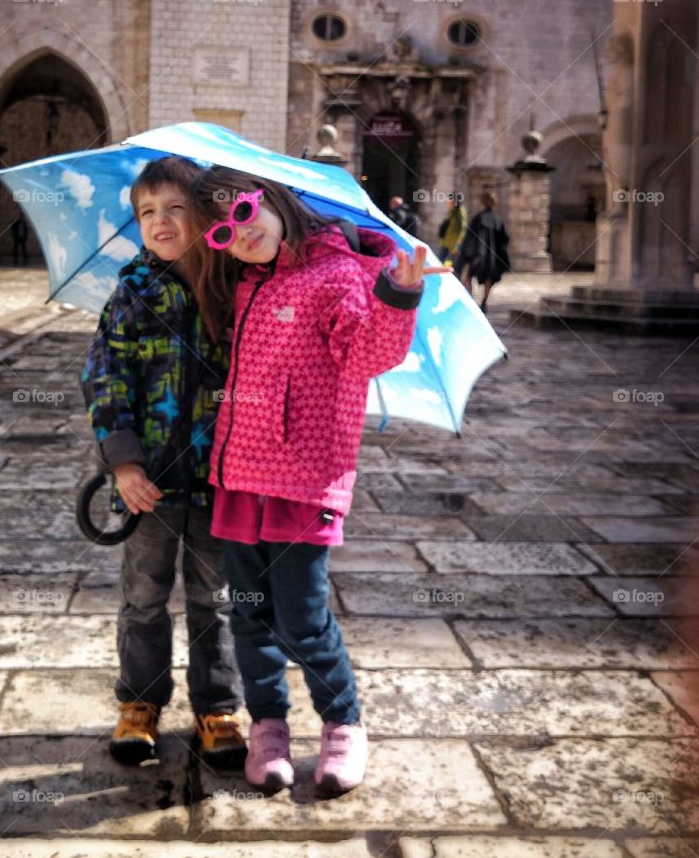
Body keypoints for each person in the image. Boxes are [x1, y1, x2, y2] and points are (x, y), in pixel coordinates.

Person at [192, 167, 444, 797]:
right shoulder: (246, 284)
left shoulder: (335, 274)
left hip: (303, 482)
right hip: (240, 478)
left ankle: (343, 725)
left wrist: (396, 295)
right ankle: (268, 729)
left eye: (245, 212)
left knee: (303, 619)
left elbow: (366, 355)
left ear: (272, 198)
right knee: (249, 617)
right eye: (224, 232)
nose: (241, 235)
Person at [80, 156, 246, 771]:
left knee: (215, 598)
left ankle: (218, 707)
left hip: (218, 482)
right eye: (148, 213)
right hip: (146, 484)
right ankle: (140, 703)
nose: (162, 221)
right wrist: (122, 463)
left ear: (203, 215)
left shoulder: (233, 290)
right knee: (144, 597)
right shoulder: (132, 293)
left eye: (176, 208)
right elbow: (103, 376)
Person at [458, 191, 510, 313]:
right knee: (489, 278)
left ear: (482, 202)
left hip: (478, 255)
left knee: (468, 276)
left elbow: (470, 238)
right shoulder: (497, 221)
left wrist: (466, 255)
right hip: (492, 257)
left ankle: (471, 300)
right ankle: (484, 302)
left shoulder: (478, 219)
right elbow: (504, 240)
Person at [437, 193, 467, 264]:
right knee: (440, 262)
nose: (447, 202)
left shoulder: (459, 213)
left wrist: (455, 246)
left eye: (449, 200)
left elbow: (460, 230)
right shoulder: (452, 212)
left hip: (452, 246)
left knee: (448, 264)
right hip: (447, 243)